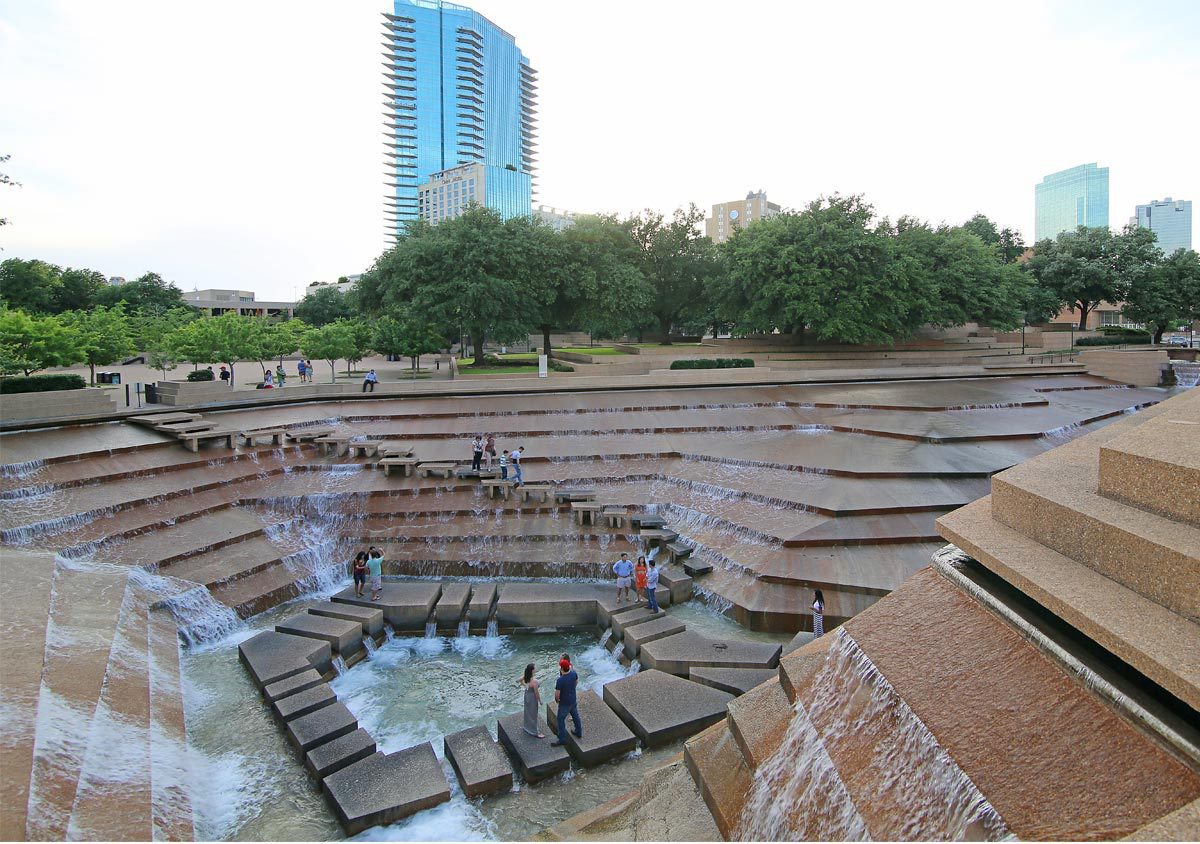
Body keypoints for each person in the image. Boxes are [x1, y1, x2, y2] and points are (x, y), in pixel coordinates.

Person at [551, 655, 582, 747]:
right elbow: (576, 681)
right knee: (576, 716)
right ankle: (578, 732)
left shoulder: (560, 680)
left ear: (561, 669)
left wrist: (557, 701)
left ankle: (562, 739)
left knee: (560, 719)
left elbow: (557, 694)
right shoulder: (573, 673)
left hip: (564, 703)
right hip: (573, 699)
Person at [520, 663, 545, 738]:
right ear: (532, 670)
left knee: (527, 712)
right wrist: (540, 701)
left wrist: (524, 685)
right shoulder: (535, 681)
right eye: (535, 668)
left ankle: (527, 727)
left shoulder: (526, 677)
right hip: (532, 698)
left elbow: (518, 680)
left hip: (527, 695)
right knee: (533, 714)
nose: (536, 669)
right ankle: (534, 732)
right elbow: (536, 693)